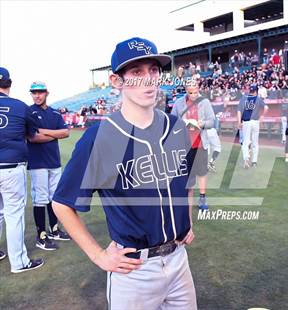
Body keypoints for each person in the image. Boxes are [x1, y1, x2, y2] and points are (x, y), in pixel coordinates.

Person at [52, 37, 197, 309]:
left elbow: (188, 179)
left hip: (179, 260)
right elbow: (61, 204)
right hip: (134, 270)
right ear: (117, 81)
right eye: (136, 72)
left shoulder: (176, 127)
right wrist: (98, 256)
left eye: (153, 70)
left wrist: (186, 220)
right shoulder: (101, 137)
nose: (148, 79)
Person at [0, 67, 45, 273]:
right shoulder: (19, 106)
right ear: (8, 84)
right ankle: (19, 263)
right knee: (13, 215)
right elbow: (31, 134)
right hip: (11, 167)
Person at [27, 81, 71, 251]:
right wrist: (55, 134)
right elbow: (33, 137)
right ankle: (41, 235)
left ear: (47, 93)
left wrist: (45, 131)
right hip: (38, 162)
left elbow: (66, 133)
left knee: (54, 198)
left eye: (40, 92)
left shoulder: (54, 112)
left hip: (54, 161)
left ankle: (54, 229)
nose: (37, 95)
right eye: (34, 92)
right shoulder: (29, 112)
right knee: (40, 199)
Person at [171, 83, 215, 210]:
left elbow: (212, 121)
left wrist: (203, 123)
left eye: (195, 92)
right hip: (184, 144)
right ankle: (185, 199)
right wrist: (182, 123)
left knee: (201, 172)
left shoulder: (205, 102)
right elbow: (173, 121)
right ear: (186, 91)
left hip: (201, 143)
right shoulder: (179, 103)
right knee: (185, 174)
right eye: (190, 93)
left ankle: (202, 198)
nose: (193, 95)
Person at [237, 84, 268, 168]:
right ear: (256, 91)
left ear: (250, 91)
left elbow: (239, 111)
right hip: (255, 122)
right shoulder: (258, 99)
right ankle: (254, 162)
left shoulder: (243, 98)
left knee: (245, 142)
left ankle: (246, 159)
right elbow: (266, 108)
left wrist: (239, 121)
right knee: (255, 143)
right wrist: (262, 116)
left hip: (246, 122)